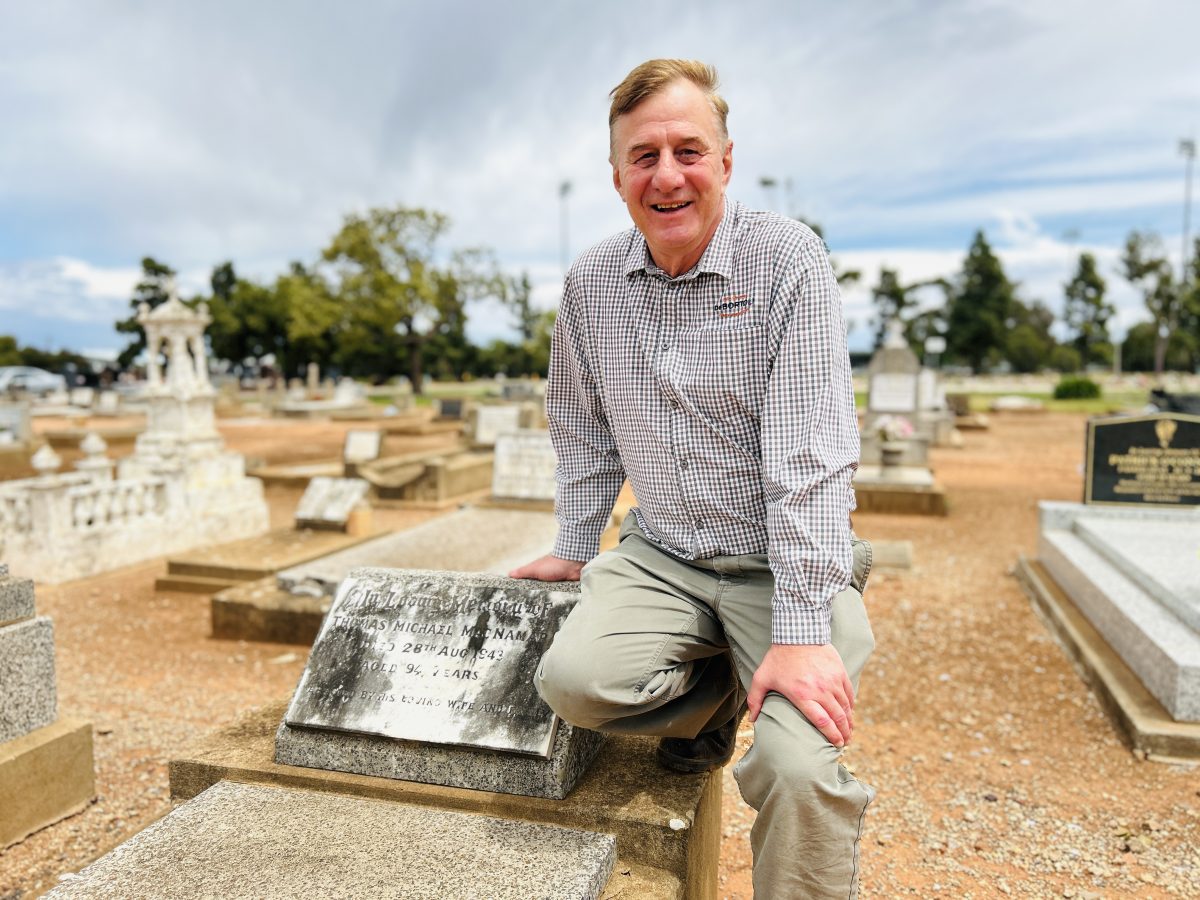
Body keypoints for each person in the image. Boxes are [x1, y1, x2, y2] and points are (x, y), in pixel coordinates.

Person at [510, 58, 875, 898]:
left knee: (794, 765)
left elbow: (811, 455)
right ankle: (716, 701)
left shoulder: (787, 262)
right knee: (574, 683)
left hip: (778, 559)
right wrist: (573, 547)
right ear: (616, 177)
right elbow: (582, 428)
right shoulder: (592, 284)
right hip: (665, 553)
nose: (667, 175)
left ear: (726, 161)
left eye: (688, 150)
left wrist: (797, 633)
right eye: (644, 156)